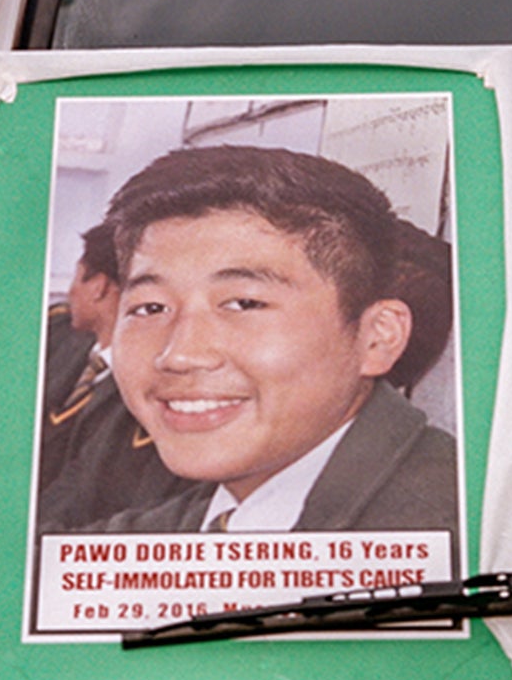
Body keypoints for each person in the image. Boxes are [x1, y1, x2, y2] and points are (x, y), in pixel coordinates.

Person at [95, 145, 459, 541]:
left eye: (243, 303)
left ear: (376, 338)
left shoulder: (445, 531)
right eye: (150, 308)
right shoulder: (179, 525)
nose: (179, 354)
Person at [38, 222, 194, 529]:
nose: (70, 291)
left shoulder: (151, 392)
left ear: (99, 286)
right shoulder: (57, 335)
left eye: (77, 275)